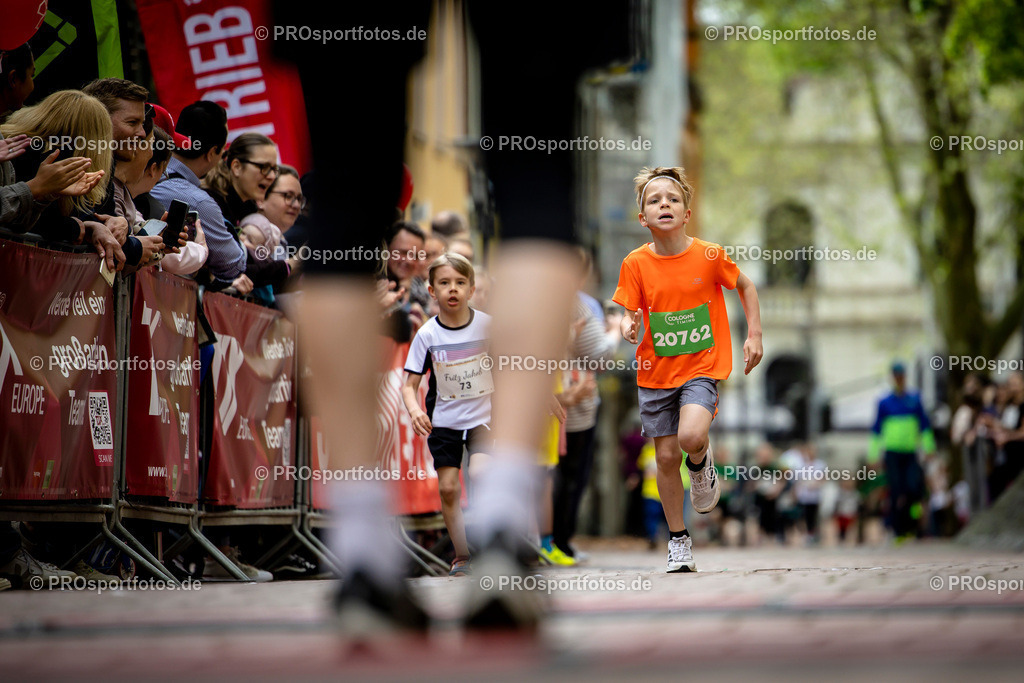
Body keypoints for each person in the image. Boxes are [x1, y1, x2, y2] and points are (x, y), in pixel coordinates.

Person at [614, 166, 763, 573]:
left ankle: (699, 462)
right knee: (663, 458)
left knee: (691, 435)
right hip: (655, 372)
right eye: (654, 200)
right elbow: (627, 310)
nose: (664, 204)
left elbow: (746, 286)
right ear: (643, 217)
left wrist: (754, 335)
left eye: (673, 199)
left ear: (686, 213)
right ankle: (679, 541)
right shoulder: (635, 263)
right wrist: (628, 324)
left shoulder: (709, 255)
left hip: (702, 364)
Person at [402, 253, 491, 576]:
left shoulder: (486, 326)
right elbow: (409, 384)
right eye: (444, 283)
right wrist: (414, 410)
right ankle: (463, 555)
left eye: (459, 283)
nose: (452, 289)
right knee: (449, 488)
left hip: (484, 416)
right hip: (444, 421)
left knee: (481, 475)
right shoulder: (427, 335)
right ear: (431, 290)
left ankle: (490, 544)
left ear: (471, 288)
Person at [1, 90, 129, 270]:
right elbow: (17, 217)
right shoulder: (30, 157)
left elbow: (101, 213)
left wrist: (121, 224)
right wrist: (75, 228)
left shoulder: (12, 146)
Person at [150, 101, 252, 294]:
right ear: (212, 152)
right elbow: (233, 266)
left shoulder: (146, 169)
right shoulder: (199, 202)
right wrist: (244, 246)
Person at [869, 361, 936, 541]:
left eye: (901, 376)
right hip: (892, 453)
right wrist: (873, 455)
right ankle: (897, 529)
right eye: (896, 376)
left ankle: (914, 524)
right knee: (896, 491)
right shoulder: (884, 402)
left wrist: (929, 447)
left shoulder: (915, 399)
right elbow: (876, 430)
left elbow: (924, 426)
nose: (898, 379)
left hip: (910, 452)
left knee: (914, 489)